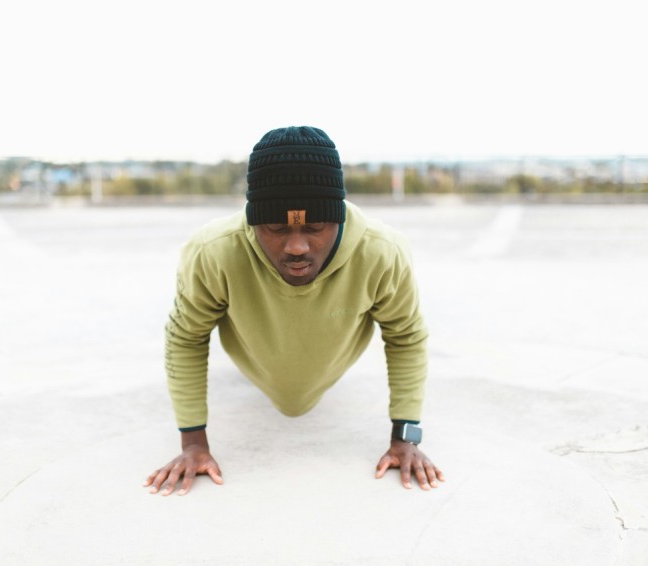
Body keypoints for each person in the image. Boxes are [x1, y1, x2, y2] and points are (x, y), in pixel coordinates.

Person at [143, 126, 443, 496]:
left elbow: (406, 337)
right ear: (253, 222)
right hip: (254, 360)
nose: (297, 246)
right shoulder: (214, 252)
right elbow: (186, 337)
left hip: (331, 364)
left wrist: (406, 437)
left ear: (339, 219)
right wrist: (193, 445)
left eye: (315, 226)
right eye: (276, 227)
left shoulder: (382, 253)